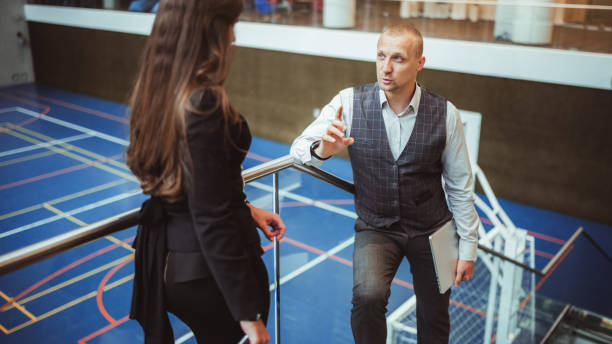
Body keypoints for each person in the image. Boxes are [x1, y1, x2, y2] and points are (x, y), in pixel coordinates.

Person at [290, 24, 479, 344]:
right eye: (380, 56)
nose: (386, 67)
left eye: (398, 59)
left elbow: (460, 186)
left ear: (419, 63)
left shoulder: (446, 114)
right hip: (376, 226)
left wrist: (469, 248)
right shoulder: (347, 102)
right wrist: (324, 150)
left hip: (434, 229)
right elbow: (297, 152)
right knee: (367, 299)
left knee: (435, 316)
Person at [126, 1, 285, 343]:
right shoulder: (204, 103)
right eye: (230, 26)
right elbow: (211, 219)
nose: (233, 39)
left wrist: (248, 209)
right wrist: (249, 318)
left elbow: (194, 184)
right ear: (211, 34)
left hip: (171, 260)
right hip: (206, 275)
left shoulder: (157, 90)